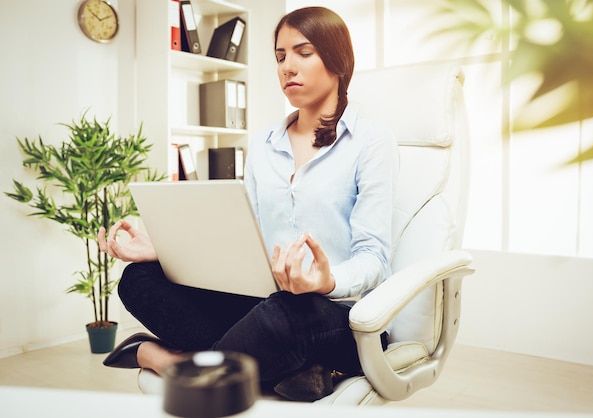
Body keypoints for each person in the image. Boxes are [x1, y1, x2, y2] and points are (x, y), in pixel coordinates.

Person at [98, 6, 399, 402]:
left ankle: (170, 362)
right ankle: (294, 368)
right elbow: (242, 239)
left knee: (283, 316)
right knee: (139, 279)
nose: (287, 67)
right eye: (280, 57)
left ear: (338, 59)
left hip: (335, 314)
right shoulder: (263, 143)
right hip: (260, 303)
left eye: (303, 52)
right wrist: (163, 251)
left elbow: (374, 257)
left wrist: (325, 281)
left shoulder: (372, 141)